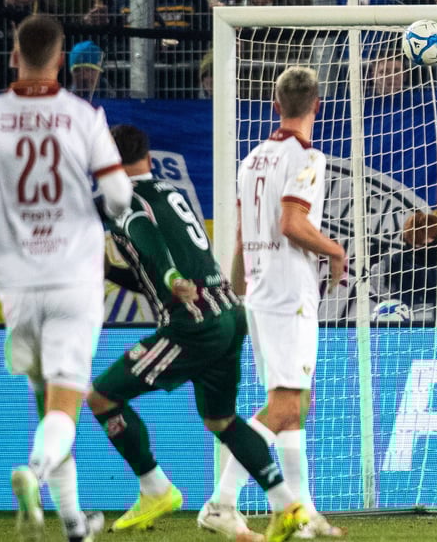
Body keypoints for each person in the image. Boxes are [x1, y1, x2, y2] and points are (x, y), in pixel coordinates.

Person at [0, 14, 133, 542]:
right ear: (63, 57)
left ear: (13, 56)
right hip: (72, 277)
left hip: (18, 280)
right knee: (65, 402)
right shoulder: (83, 117)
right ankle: (34, 472)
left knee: (47, 399)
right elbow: (119, 197)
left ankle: (74, 524)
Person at [86, 124, 309, 541]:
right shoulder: (171, 192)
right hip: (228, 313)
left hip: (192, 323)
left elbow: (153, 247)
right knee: (221, 419)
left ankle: (155, 488)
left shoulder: (125, 204)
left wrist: (169, 277)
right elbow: (152, 267)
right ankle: (287, 505)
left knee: (101, 396)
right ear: (148, 158)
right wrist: (118, 271)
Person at [200, 67, 346, 540]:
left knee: (295, 404)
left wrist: (238, 294)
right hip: (287, 295)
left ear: (275, 104)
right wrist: (336, 250)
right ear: (317, 106)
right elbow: (291, 223)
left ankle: (299, 513)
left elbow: (243, 236)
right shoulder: (308, 158)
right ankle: (221, 503)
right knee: (285, 407)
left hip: (262, 294)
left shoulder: (252, 160)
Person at [371, 211, 437, 323]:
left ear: (433, 237)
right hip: (403, 326)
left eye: (422, 243)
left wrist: (404, 273)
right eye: (413, 243)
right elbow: (387, 293)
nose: (417, 248)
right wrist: (380, 272)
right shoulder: (398, 259)